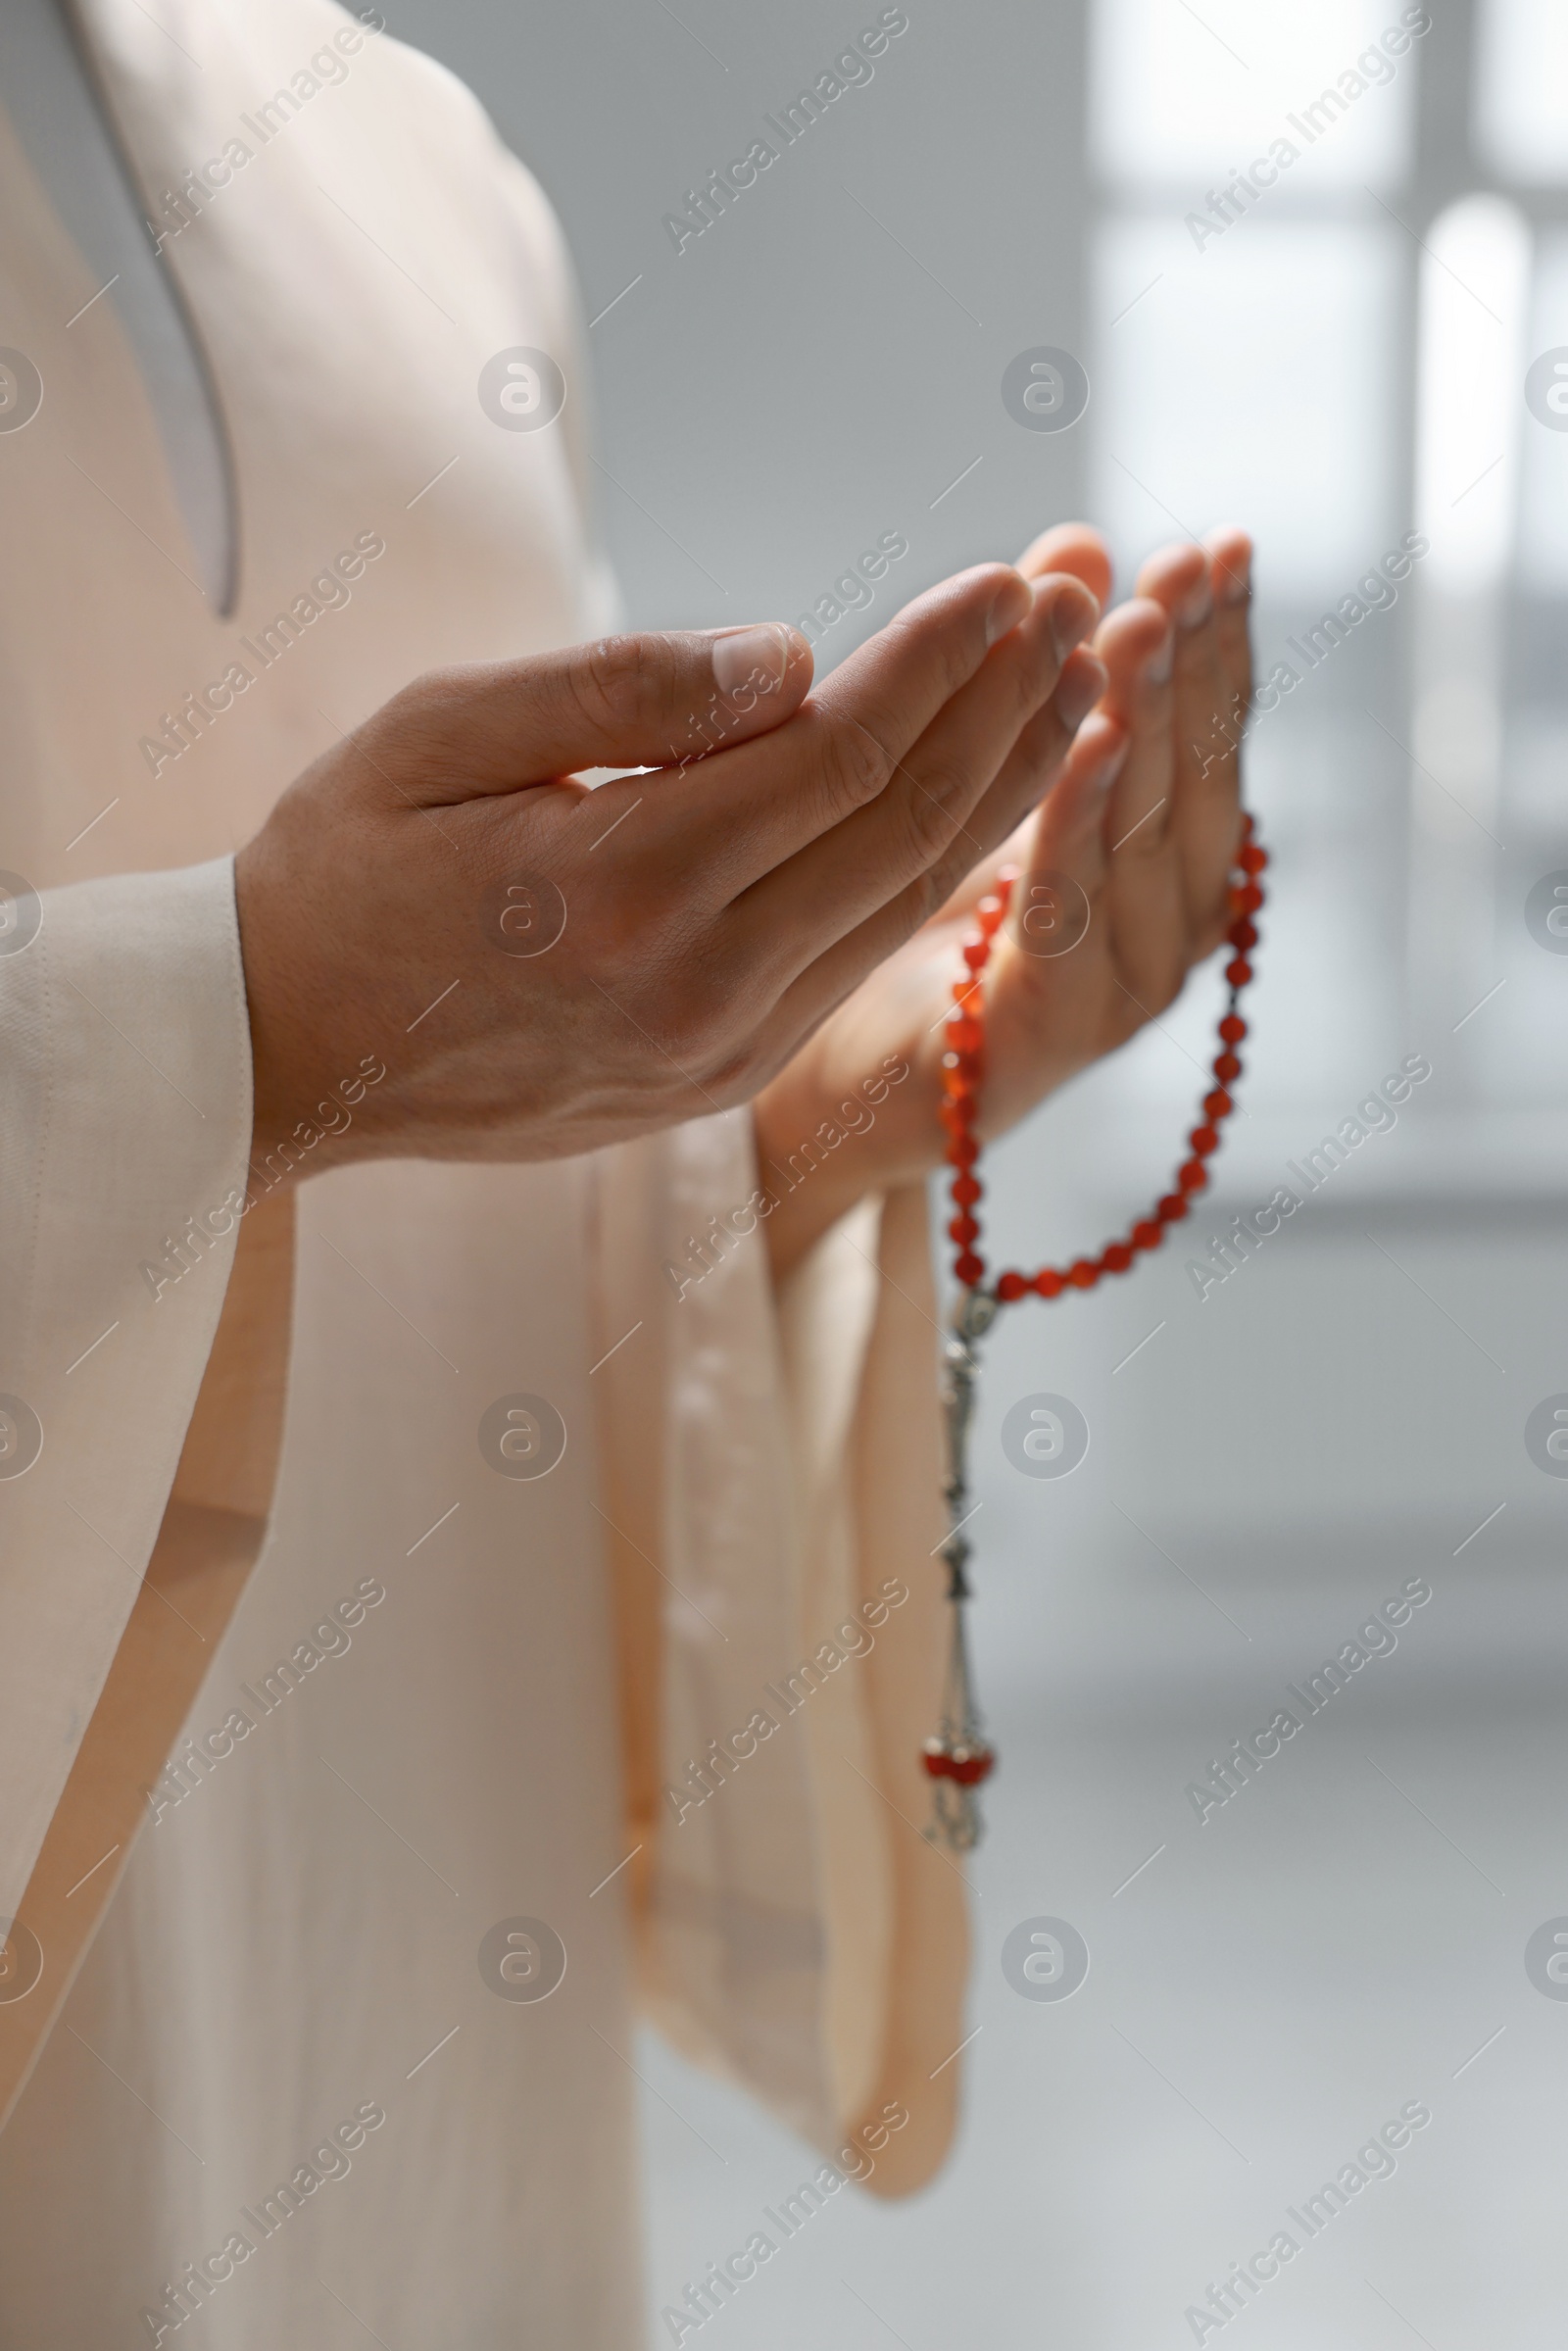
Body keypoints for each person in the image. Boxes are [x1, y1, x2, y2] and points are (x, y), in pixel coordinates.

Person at [0, 1, 1251, 2341]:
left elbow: (481, 1217)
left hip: (422, 2068)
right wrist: (235, 1032)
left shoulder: (420, 180)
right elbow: (305, 1022)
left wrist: (836, 1078)